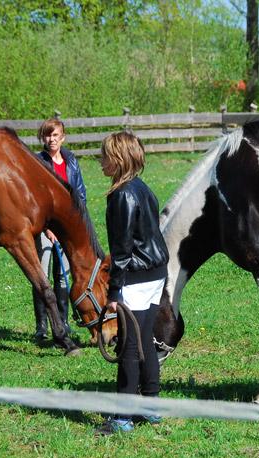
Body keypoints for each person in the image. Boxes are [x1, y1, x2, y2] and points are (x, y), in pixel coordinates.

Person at [95, 132, 169, 435]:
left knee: (127, 345)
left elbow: (122, 250)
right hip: (156, 272)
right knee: (145, 340)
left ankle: (123, 418)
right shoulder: (143, 188)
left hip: (136, 278)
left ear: (117, 159)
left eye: (103, 156)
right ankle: (150, 405)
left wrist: (113, 292)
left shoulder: (122, 194)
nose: (99, 161)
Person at [33, 118, 87, 342]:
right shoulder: (38, 162)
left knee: (63, 278)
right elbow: (35, 199)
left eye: (55, 135)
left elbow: (80, 194)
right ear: (42, 138)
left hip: (66, 229)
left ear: (62, 137)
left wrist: (74, 227)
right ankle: (42, 327)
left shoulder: (71, 161)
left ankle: (63, 322)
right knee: (41, 277)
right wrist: (47, 228)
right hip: (45, 228)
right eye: (47, 135)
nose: (51, 139)